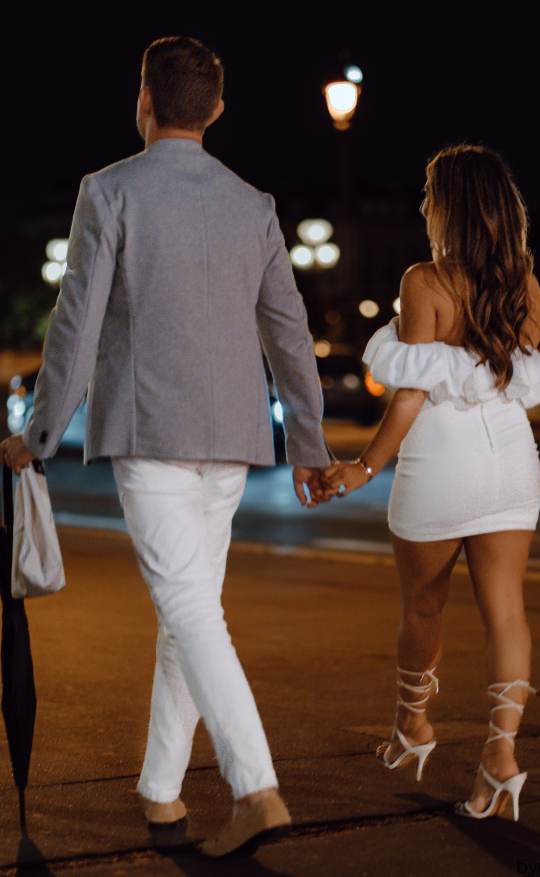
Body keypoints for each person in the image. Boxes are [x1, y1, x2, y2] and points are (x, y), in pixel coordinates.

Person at [0, 35, 332, 856]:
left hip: (150, 434)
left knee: (187, 608)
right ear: (216, 111)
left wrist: (37, 432)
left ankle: (255, 785)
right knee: (192, 609)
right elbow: (289, 331)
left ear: (143, 101)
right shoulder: (252, 203)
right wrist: (309, 442)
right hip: (232, 439)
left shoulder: (108, 191)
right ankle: (161, 791)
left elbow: (75, 322)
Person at [323, 144, 540, 822]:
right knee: (506, 610)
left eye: (430, 193)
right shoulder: (526, 283)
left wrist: (363, 468)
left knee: (423, 607)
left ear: (451, 205)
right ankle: (501, 752)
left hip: (441, 464)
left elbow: (410, 396)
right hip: (512, 459)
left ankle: (413, 726)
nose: (423, 204)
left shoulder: (423, 281)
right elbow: (515, 368)